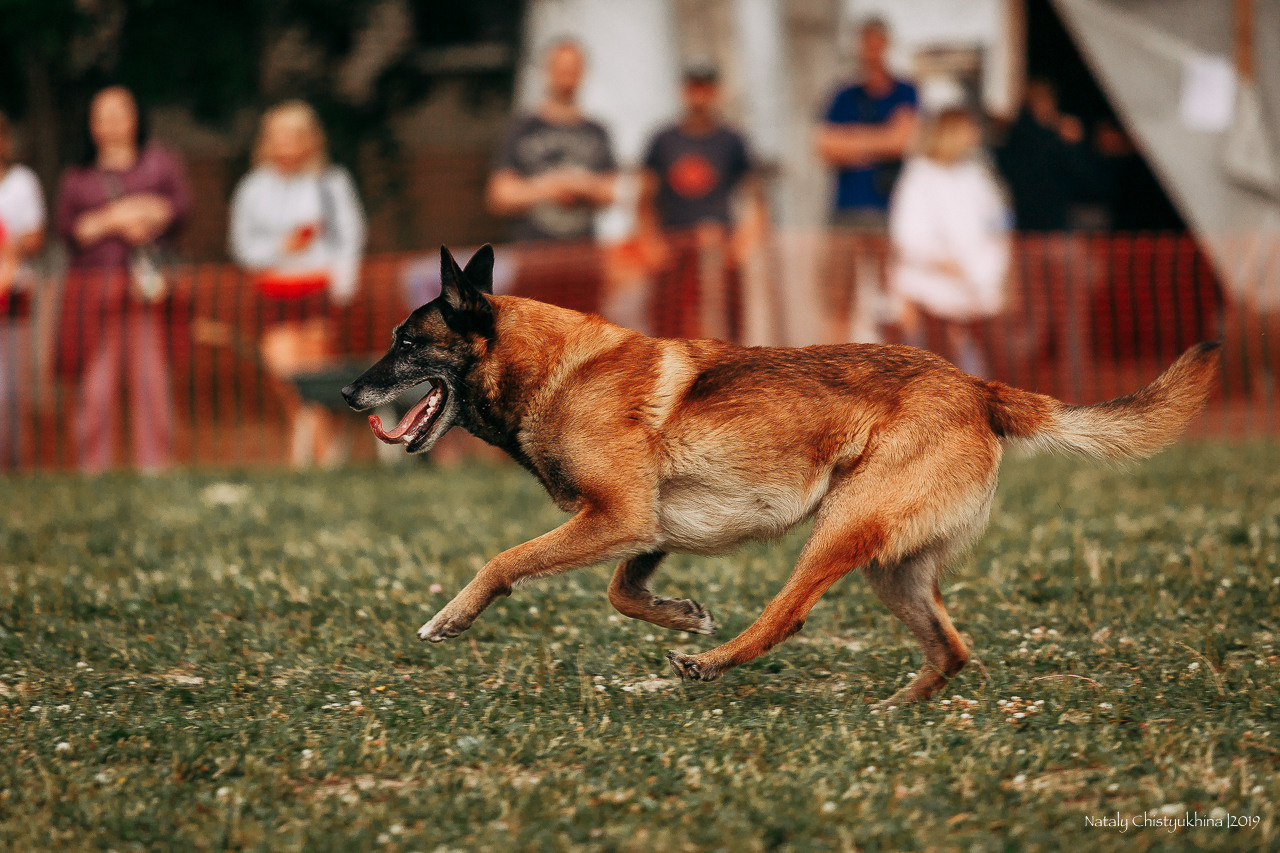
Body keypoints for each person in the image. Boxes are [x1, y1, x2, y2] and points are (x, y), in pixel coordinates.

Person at [55, 85, 190, 473]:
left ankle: (156, 466)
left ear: (135, 118)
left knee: (152, 383)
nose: (112, 123)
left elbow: (180, 208)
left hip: (146, 295)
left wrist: (110, 218)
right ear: (91, 125)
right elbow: (68, 229)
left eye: (120, 113)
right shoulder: (77, 176)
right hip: (93, 299)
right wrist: (123, 216)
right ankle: (93, 466)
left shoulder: (160, 164)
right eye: (103, 116)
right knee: (95, 388)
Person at [229, 100, 367, 469]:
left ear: (309, 140)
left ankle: (306, 454)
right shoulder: (253, 187)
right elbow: (243, 247)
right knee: (286, 375)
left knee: (315, 378)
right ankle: (327, 448)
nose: (285, 144)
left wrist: (342, 286)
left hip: (317, 289)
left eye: (293, 136)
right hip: (274, 291)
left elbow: (348, 237)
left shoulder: (330, 182)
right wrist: (282, 248)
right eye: (277, 136)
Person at [637, 61, 767, 341]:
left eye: (706, 87)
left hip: (720, 252)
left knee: (729, 336)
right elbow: (644, 197)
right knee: (670, 333)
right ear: (683, 90)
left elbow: (756, 197)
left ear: (716, 92)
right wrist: (649, 242)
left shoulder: (733, 140)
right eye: (694, 86)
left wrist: (744, 243)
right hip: (673, 253)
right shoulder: (662, 140)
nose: (700, 94)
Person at [486, 38, 617, 314]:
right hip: (536, 262)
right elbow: (499, 195)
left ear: (582, 73)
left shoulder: (597, 130)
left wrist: (581, 186)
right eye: (561, 68)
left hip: (584, 263)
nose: (567, 76)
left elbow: (613, 192)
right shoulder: (522, 127)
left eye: (573, 69)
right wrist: (549, 188)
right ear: (547, 71)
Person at [888, 107, 1011, 378]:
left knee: (977, 375)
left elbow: (997, 225)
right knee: (936, 372)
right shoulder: (919, 176)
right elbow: (908, 235)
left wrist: (988, 272)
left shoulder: (977, 176)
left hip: (974, 293)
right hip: (933, 295)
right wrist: (943, 262)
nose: (975, 135)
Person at [816, 17, 918, 227]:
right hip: (848, 208)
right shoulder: (843, 95)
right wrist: (883, 138)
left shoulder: (905, 92)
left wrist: (851, 138)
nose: (872, 52)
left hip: (892, 207)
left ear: (887, 45)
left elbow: (902, 142)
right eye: (867, 45)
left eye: (877, 44)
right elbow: (825, 147)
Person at [0, 112, 47, 470]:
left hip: (13, 300)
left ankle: (15, 467)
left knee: (12, 394)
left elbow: (34, 236)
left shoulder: (20, 182)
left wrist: (7, 249)